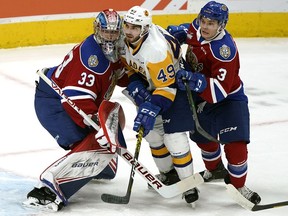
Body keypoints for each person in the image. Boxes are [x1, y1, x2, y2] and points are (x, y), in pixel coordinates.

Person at [23, 9, 129, 211]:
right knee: (91, 142)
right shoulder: (92, 59)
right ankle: (49, 189)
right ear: (97, 29)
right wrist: (97, 125)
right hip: (55, 102)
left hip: (72, 99)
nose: (110, 36)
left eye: (114, 33)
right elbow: (76, 98)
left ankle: (101, 165)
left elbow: (120, 74)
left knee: (101, 144)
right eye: (106, 31)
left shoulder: (116, 49)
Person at [167, 1, 261, 204]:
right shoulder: (197, 28)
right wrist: (176, 34)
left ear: (222, 25)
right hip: (200, 96)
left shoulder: (223, 50)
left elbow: (219, 91)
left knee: (236, 145)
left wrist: (193, 79)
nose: (205, 26)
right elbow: (188, 29)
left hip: (228, 98)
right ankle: (215, 169)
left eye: (212, 23)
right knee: (203, 138)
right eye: (203, 20)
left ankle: (238, 185)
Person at [120, 5, 199, 204]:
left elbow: (167, 87)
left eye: (135, 27)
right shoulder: (123, 40)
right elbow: (130, 67)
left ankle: (188, 183)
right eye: (127, 25)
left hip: (174, 85)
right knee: (152, 134)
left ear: (145, 29)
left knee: (174, 138)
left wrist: (151, 107)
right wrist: (135, 82)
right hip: (150, 83)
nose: (129, 31)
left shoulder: (155, 50)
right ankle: (169, 174)